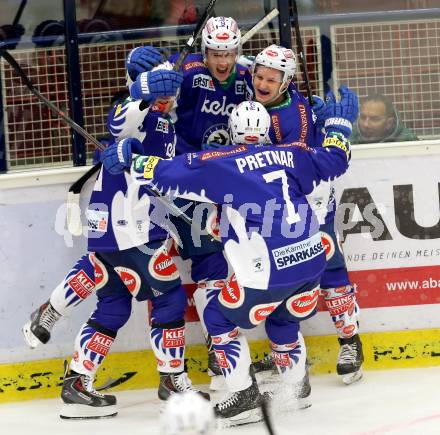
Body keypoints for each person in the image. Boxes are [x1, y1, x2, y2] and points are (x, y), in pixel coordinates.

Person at [114, 94, 356, 426]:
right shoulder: (293, 153)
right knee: (283, 320)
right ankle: (295, 388)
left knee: (218, 317)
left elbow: (167, 174)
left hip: (268, 269)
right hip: (312, 260)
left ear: (233, 130)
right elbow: (335, 159)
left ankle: (243, 395)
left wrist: (131, 158)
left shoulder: (221, 161)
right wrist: (338, 125)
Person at [128, 16, 256, 389]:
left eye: (229, 52)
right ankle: (218, 355)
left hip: (225, 181)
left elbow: (274, 89)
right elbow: (150, 85)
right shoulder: (187, 70)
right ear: (205, 50)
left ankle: (215, 353)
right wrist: (140, 66)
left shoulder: (248, 75)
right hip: (186, 186)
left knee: (223, 262)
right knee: (210, 265)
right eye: (216, 52)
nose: (222, 60)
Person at [21, 47, 165, 350]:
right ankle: (51, 310)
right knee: (100, 262)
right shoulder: (127, 105)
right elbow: (119, 125)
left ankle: (52, 310)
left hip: (126, 208)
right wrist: (110, 149)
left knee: (101, 269)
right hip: (112, 204)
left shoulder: (165, 122)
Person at [250, 44, 364, 384]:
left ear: (285, 83)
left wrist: (326, 126)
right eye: (259, 76)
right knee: (281, 285)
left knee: (330, 271)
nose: (262, 83)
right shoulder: (277, 93)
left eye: (271, 79)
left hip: (309, 204)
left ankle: (350, 341)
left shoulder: (292, 120)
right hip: (275, 210)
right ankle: (285, 354)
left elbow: (306, 167)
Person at [351, 94, 418, 144]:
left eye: (374, 119)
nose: (366, 124)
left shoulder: (407, 140)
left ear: (389, 123)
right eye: (363, 117)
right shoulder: (348, 138)